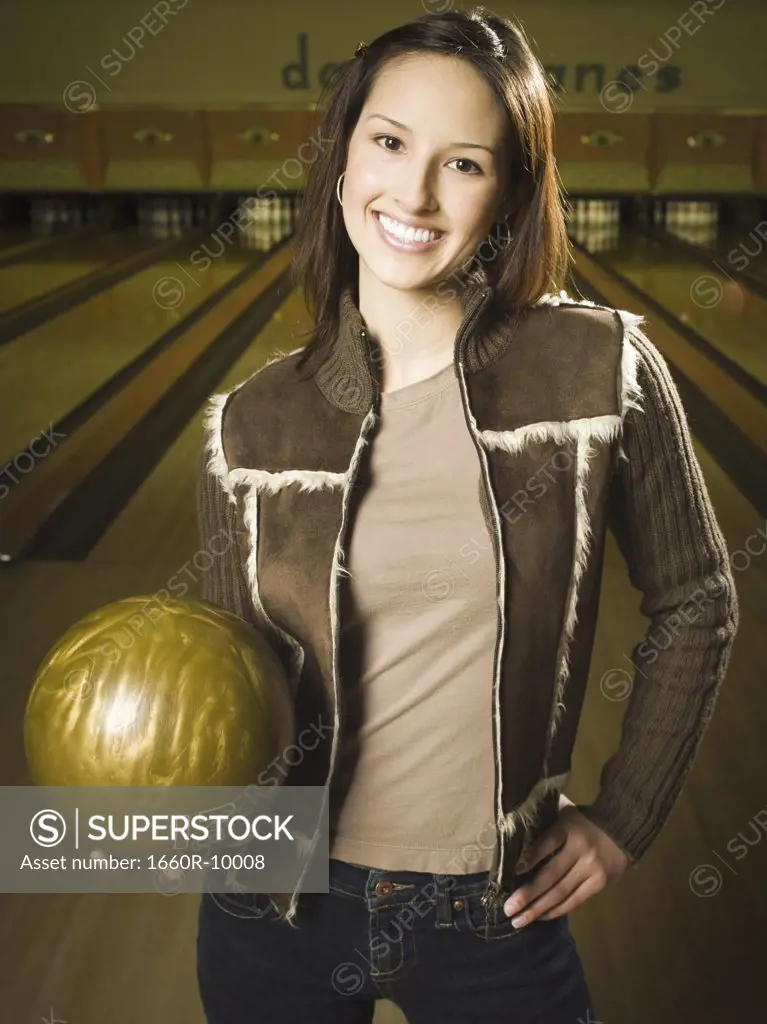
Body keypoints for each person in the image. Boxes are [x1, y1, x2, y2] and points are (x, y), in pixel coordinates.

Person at [195, 7, 739, 1022]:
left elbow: (697, 598)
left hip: (493, 912)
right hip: (269, 899)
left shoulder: (598, 365)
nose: (411, 192)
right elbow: (234, 677)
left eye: (462, 163)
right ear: (342, 152)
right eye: (389, 142)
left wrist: (623, 817)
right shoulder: (250, 423)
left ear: (509, 192)